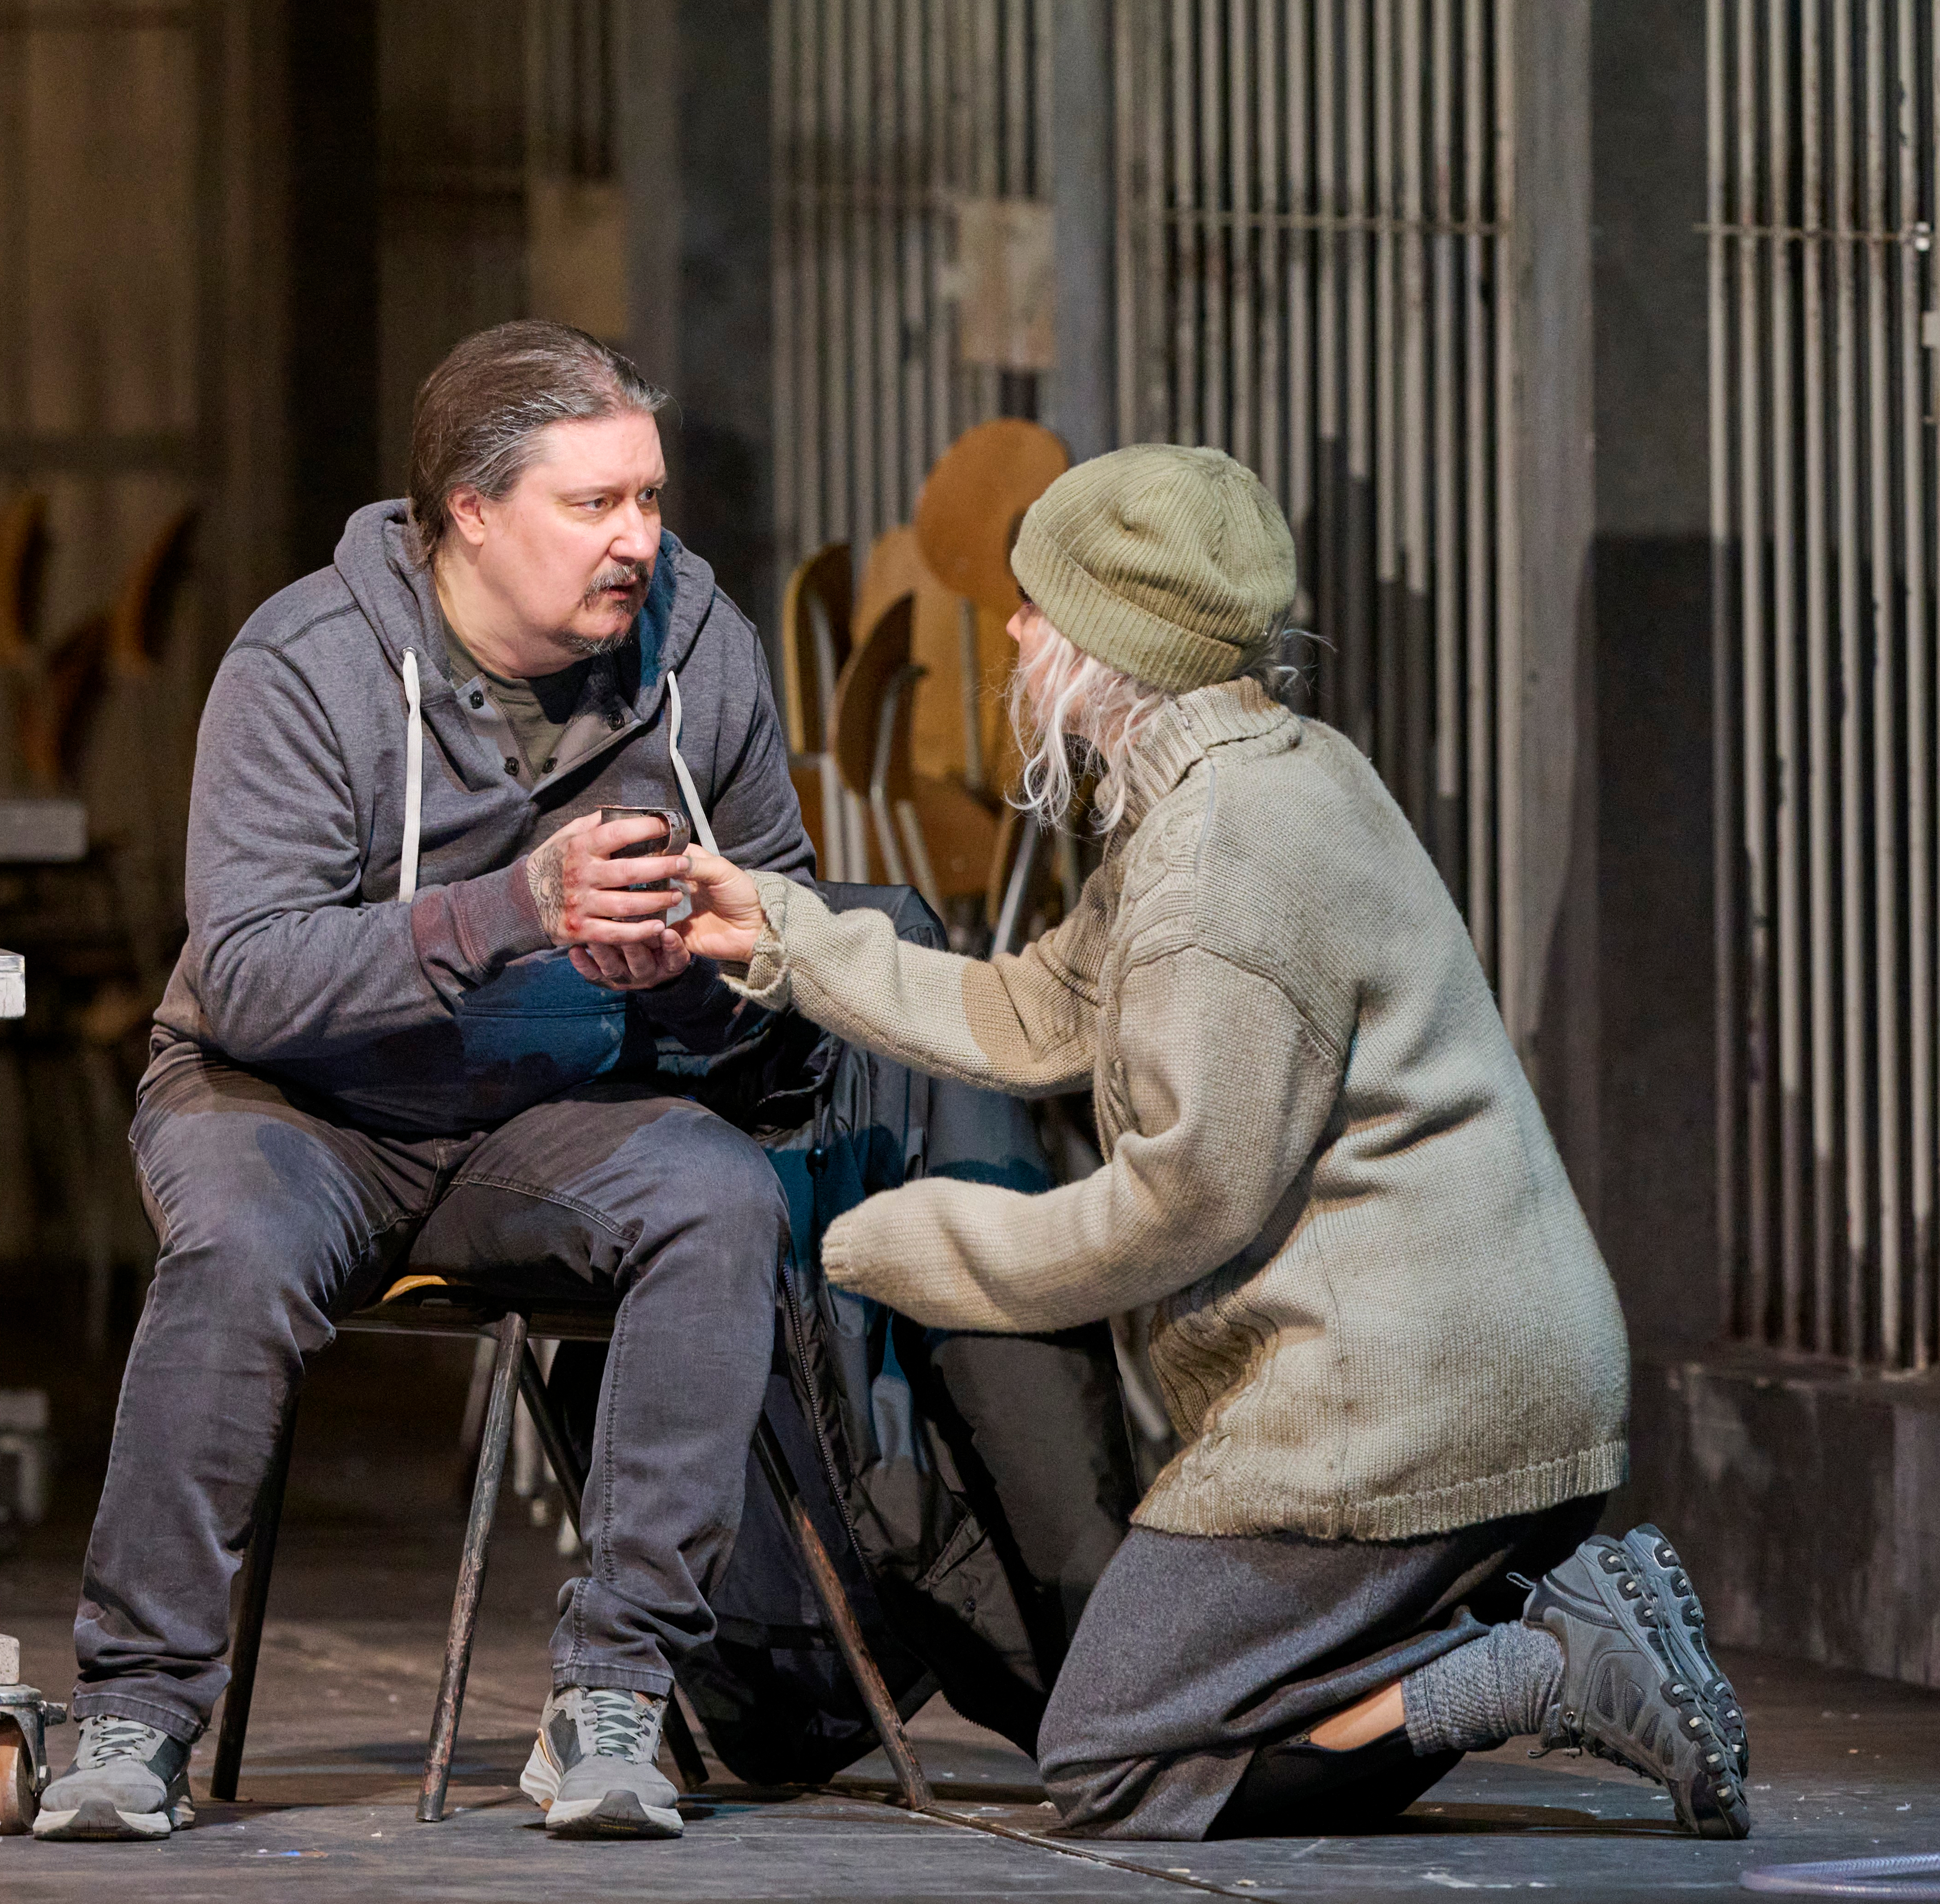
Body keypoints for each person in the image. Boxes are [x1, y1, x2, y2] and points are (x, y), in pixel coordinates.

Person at [668, 444, 1752, 1842]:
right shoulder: (1271, 775)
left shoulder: (1216, 864)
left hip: (1392, 1421)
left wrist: (900, 1247)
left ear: (1120, 645)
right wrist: (778, 935)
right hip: (1500, 1389)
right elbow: (1035, 1004)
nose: (1009, 633)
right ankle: (1530, 1629)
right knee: (1194, 1716)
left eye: (1036, 608)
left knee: (1117, 1755)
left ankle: (1540, 1659)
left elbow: (1178, 1203)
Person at [35, 321, 813, 1845]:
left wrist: (714, 970)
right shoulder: (307, 664)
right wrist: (513, 908)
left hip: (541, 1108)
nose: (639, 542)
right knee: (239, 1252)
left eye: (649, 499)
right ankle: (137, 1703)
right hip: (290, 1103)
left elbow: (781, 911)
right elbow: (249, 971)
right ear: (470, 509)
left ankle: (618, 1692)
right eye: (594, 506)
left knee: (717, 1198)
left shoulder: (701, 647)